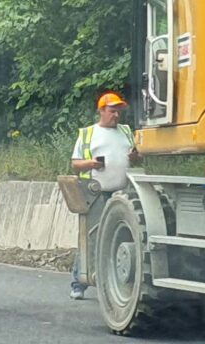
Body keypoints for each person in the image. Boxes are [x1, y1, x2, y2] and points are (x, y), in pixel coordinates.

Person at [69, 91, 138, 300]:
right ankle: (78, 282)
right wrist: (92, 164)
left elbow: (136, 158)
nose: (116, 115)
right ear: (101, 111)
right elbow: (75, 163)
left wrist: (135, 157)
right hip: (96, 193)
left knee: (117, 237)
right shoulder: (88, 133)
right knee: (92, 237)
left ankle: (108, 281)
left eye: (118, 111)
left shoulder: (126, 132)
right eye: (112, 111)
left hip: (122, 193)